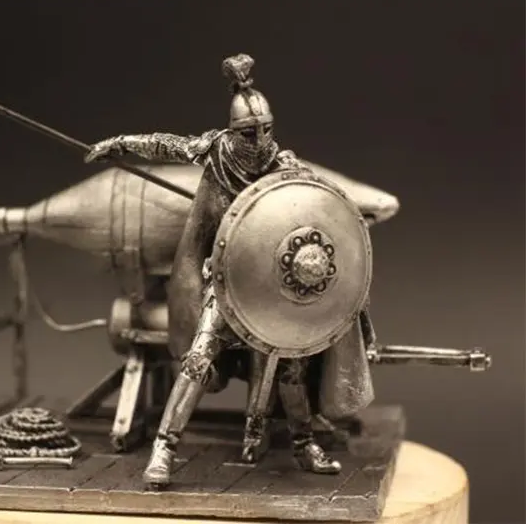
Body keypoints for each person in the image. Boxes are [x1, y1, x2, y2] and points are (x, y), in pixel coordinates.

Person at [85, 54, 374, 488]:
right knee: (199, 360)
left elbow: (317, 210)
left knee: (292, 368)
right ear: (233, 131)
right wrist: (120, 143)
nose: (260, 139)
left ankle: (303, 444)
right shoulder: (214, 151)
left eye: (266, 129)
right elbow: (164, 145)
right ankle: (164, 450)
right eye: (249, 132)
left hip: (274, 290)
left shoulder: (286, 169)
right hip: (223, 284)